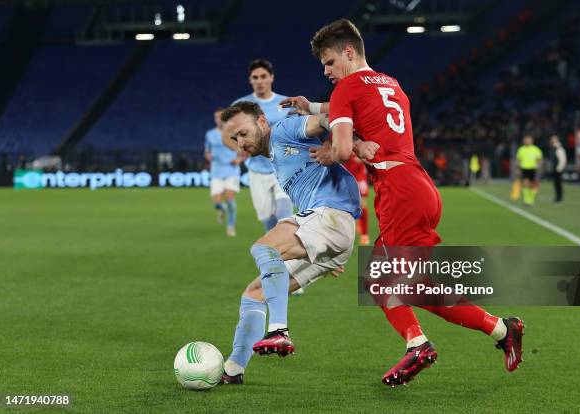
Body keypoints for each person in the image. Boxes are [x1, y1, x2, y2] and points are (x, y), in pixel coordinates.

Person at [281, 18, 524, 386]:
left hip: (398, 191)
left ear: (349, 52)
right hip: (418, 186)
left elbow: (345, 145)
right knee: (417, 289)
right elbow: (361, 110)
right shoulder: (390, 83)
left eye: (329, 61)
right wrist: (312, 106)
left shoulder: (346, 88)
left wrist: (330, 153)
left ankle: (418, 345)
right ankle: (502, 330)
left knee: (378, 279)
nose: (326, 70)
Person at [219, 101, 361, 384]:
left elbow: (329, 118)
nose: (240, 143)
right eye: (235, 139)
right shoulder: (275, 157)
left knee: (263, 247)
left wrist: (339, 145)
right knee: (254, 293)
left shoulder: (283, 130)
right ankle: (234, 369)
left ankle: (279, 331)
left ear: (262, 123)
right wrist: (324, 252)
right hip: (330, 232)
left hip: (330, 215)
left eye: (244, 133)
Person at [229, 59, 294, 231]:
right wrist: (239, 147)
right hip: (257, 171)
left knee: (284, 214)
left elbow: (295, 132)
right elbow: (227, 136)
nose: (259, 81)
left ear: (271, 77)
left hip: (283, 167)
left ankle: (292, 254)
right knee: (268, 221)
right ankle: (278, 253)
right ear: (250, 80)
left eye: (263, 76)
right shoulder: (240, 106)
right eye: (255, 77)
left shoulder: (285, 103)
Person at [204, 108, 241, 236]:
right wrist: (208, 157)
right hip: (216, 170)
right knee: (217, 202)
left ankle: (230, 227)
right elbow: (207, 151)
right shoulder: (210, 134)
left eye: (221, 116)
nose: (218, 119)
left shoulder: (235, 132)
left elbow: (244, 149)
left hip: (231, 170)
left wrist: (239, 159)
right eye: (216, 117)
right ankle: (222, 210)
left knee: (230, 197)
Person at [344, 153, 370, 244]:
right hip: (348, 180)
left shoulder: (361, 147)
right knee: (347, 209)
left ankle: (364, 234)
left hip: (359, 179)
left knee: (362, 206)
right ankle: (349, 233)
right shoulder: (345, 149)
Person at [516, 135, 543, 206]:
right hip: (524, 168)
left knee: (534, 185)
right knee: (525, 184)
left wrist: (539, 167)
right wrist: (518, 169)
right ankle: (526, 200)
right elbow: (519, 160)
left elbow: (539, 159)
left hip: (533, 168)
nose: (527, 141)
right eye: (526, 139)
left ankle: (531, 199)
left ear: (532, 141)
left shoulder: (536, 149)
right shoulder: (521, 149)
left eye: (528, 139)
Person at [549, 135, 566, 202]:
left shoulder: (559, 148)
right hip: (555, 168)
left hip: (558, 169)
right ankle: (557, 197)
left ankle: (559, 197)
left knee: (558, 183)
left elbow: (562, 160)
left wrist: (559, 168)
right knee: (556, 183)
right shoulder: (553, 147)